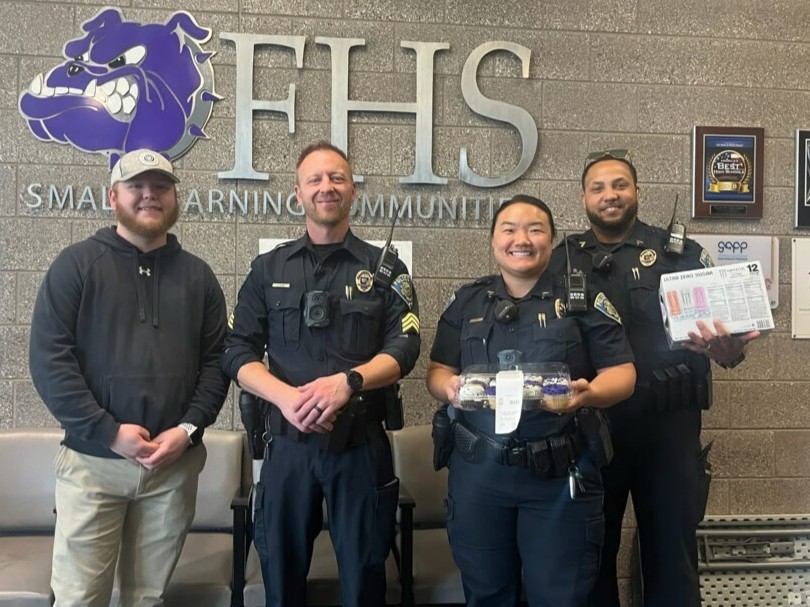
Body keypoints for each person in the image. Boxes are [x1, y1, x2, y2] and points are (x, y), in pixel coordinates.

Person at [551, 150, 760, 607]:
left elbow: (727, 343)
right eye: (599, 187)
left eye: (620, 184)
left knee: (672, 560)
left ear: (637, 192)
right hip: (592, 432)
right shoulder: (562, 260)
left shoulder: (681, 254)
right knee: (589, 558)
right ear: (584, 197)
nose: (610, 195)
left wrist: (731, 350)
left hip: (668, 431)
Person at [221, 141, 421, 607]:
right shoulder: (267, 269)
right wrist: (286, 399)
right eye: (315, 179)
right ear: (298, 194)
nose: (326, 187)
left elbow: (406, 345)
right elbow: (236, 350)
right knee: (282, 580)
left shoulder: (386, 268)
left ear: (353, 189)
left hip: (360, 447)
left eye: (336, 178)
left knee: (365, 581)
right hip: (287, 448)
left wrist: (348, 382)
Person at [28, 149, 230, 607]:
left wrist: (187, 430)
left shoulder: (199, 277)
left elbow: (219, 362)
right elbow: (48, 360)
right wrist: (108, 433)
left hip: (172, 468)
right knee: (80, 598)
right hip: (92, 466)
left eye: (160, 186)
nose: (149, 195)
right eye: (136, 186)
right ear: (112, 196)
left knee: (147, 598)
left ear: (175, 198)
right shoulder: (75, 266)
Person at [427, 194, 636, 607]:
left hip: (559, 476)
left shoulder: (584, 300)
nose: (521, 239)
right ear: (493, 242)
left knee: (558, 596)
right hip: (479, 476)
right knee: (487, 595)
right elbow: (438, 370)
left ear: (552, 240)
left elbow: (624, 373)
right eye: (509, 229)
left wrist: (588, 393)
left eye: (535, 229)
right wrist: (448, 389)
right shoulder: (467, 301)